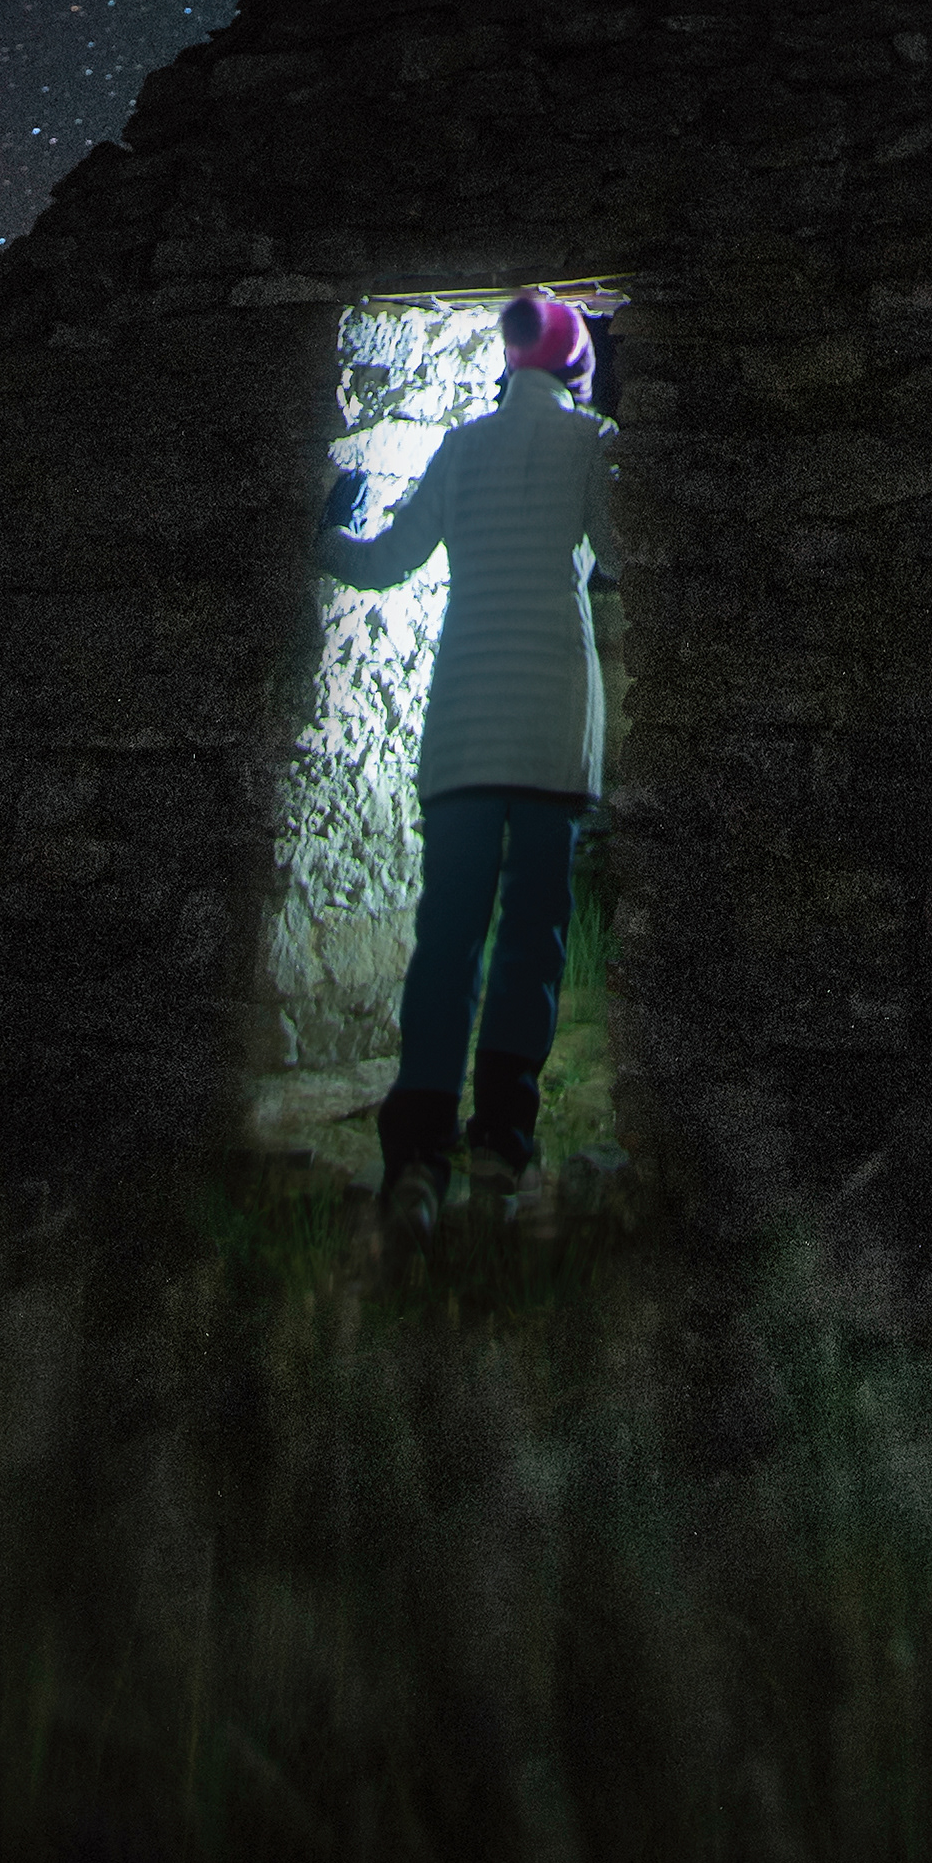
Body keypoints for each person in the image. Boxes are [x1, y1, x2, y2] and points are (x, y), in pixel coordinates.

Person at [318, 287, 621, 1242]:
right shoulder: (592, 445)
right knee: (532, 942)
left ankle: (414, 1163)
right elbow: (625, 550)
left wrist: (327, 528)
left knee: (445, 941)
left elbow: (382, 564)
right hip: (547, 725)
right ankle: (500, 1151)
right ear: (577, 368)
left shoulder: (458, 449)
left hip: (462, 725)